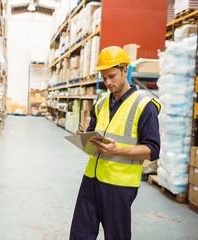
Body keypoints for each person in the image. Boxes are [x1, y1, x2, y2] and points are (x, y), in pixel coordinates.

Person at [69, 46, 161, 240]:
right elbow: (92, 131)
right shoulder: (101, 103)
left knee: (116, 236)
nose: (108, 83)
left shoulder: (144, 105)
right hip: (91, 178)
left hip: (119, 185)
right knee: (79, 234)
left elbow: (152, 150)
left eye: (112, 76)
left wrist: (117, 149)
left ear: (125, 70)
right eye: (104, 78)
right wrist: (85, 138)